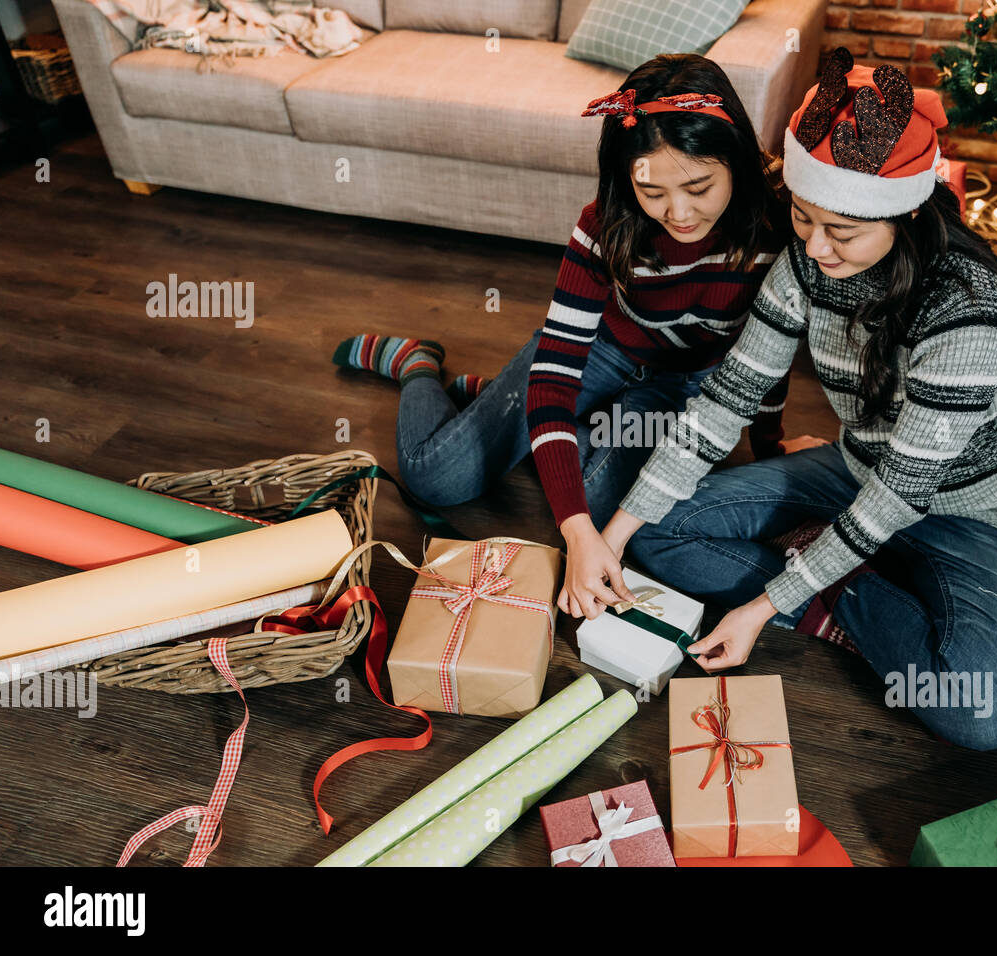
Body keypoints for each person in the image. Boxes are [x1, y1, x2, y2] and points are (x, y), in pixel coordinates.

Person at [590, 53, 997, 752]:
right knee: (654, 533)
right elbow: (730, 397)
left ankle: (831, 583)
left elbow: (901, 494)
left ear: (903, 213)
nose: (815, 247)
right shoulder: (806, 262)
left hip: (972, 519)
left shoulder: (967, 312)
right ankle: (836, 579)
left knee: (985, 712)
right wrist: (614, 536)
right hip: (856, 471)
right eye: (804, 219)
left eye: (842, 232)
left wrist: (765, 605)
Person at [330, 54, 797, 614]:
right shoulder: (605, 223)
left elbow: (771, 358)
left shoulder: (777, 230)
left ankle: (501, 402)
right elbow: (555, 376)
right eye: (653, 192)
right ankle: (418, 366)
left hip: (684, 383)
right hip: (603, 350)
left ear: (736, 161)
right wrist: (574, 534)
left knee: (606, 506)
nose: (678, 213)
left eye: (699, 187)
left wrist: (770, 444)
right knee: (436, 479)